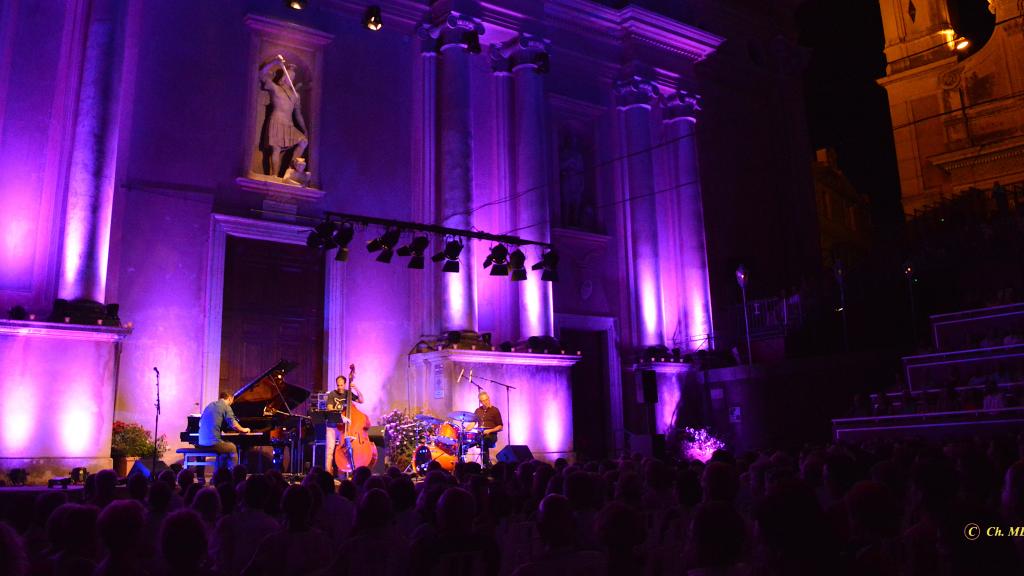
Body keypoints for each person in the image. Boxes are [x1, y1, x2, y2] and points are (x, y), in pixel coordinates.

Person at [258, 55, 308, 178]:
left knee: (303, 141)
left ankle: (292, 169)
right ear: (285, 78)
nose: (292, 79)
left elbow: (298, 114)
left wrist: (304, 128)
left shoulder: (295, 96)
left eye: (293, 78)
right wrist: (274, 62)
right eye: (290, 77)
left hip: (289, 124)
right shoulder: (275, 88)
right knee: (276, 149)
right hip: (277, 120)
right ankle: (274, 176)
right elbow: (262, 75)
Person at [198, 392, 251, 472]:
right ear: (230, 398)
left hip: (201, 442)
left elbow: (200, 423)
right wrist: (244, 429)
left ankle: (217, 477)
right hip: (212, 443)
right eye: (232, 400)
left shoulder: (210, 405)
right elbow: (233, 424)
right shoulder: (226, 406)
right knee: (232, 447)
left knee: (224, 451)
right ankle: (234, 475)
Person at [324, 371, 363, 477]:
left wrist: (356, 388)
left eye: (341, 385)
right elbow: (330, 409)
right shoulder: (332, 394)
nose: (340, 387)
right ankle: (327, 475)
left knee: (345, 449)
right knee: (330, 450)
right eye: (338, 385)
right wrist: (342, 417)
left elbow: (361, 400)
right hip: (332, 426)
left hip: (343, 428)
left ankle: (345, 473)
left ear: (345, 384)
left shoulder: (348, 393)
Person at [472, 391, 503, 468]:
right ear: (480, 402)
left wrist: (489, 431)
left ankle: (487, 466)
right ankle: (461, 465)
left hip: (491, 436)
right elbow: (473, 423)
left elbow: (500, 426)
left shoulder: (495, 410)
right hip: (479, 435)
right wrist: (464, 430)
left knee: (483, 441)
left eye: (487, 399)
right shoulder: (477, 410)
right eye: (484, 400)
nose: (486, 401)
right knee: (464, 442)